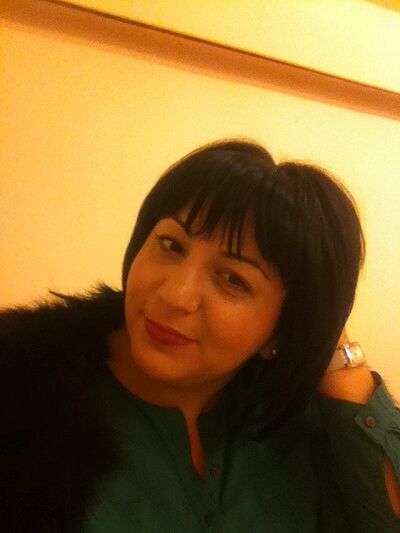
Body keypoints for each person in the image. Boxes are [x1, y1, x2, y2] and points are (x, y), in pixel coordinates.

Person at [1, 139, 399, 533]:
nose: (175, 295)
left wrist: (338, 361)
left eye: (232, 279)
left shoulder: (296, 424)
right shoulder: (20, 391)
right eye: (171, 245)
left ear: (282, 327)